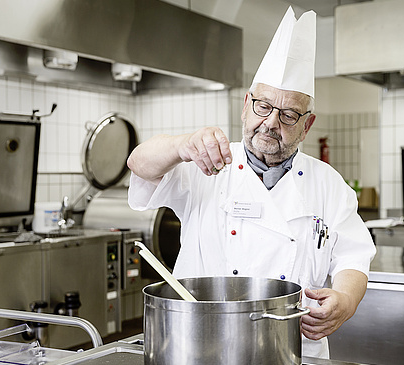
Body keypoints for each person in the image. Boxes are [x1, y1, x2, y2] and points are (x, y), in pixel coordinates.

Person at [127, 7, 375, 359]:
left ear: (307, 124)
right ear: (246, 105)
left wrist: (346, 299)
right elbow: (139, 164)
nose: (271, 122)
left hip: (291, 348)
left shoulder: (328, 184)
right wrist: (180, 145)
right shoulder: (204, 163)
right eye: (262, 106)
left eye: (289, 115)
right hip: (202, 346)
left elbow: (354, 257)